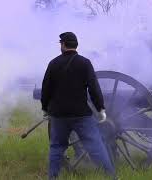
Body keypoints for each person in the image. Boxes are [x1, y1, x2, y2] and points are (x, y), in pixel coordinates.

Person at [41, 32, 115, 179]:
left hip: (59, 115)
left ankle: (52, 177)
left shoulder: (53, 63)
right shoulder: (85, 63)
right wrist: (100, 108)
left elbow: (46, 89)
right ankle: (112, 176)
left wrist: (45, 108)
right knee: (96, 146)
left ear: (63, 44)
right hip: (81, 115)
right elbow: (94, 88)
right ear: (76, 45)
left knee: (56, 148)